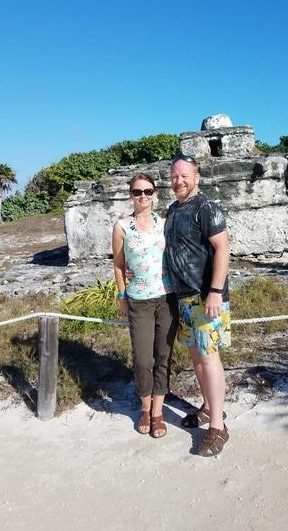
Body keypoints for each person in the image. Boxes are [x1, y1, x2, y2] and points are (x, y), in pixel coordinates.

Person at [165, 155, 231, 457]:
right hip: (184, 298)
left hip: (206, 297)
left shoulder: (206, 208)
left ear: (197, 177)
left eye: (185, 175)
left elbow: (223, 248)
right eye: (175, 176)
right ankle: (207, 407)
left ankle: (217, 426)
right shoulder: (174, 210)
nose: (179, 181)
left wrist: (215, 291)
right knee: (196, 359)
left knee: (209, 359)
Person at [112, 172, 178, 439]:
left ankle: (158, 412)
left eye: (148, 191)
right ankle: (144, 407)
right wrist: (121, 296)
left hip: (167, 297)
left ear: (155, 194)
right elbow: (118, 265)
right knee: (142, 358)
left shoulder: (165, 223)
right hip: (138, 299)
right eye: (137, 192)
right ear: (131, 195)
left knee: (163, 356)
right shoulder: (122, 226)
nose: (143, 196)